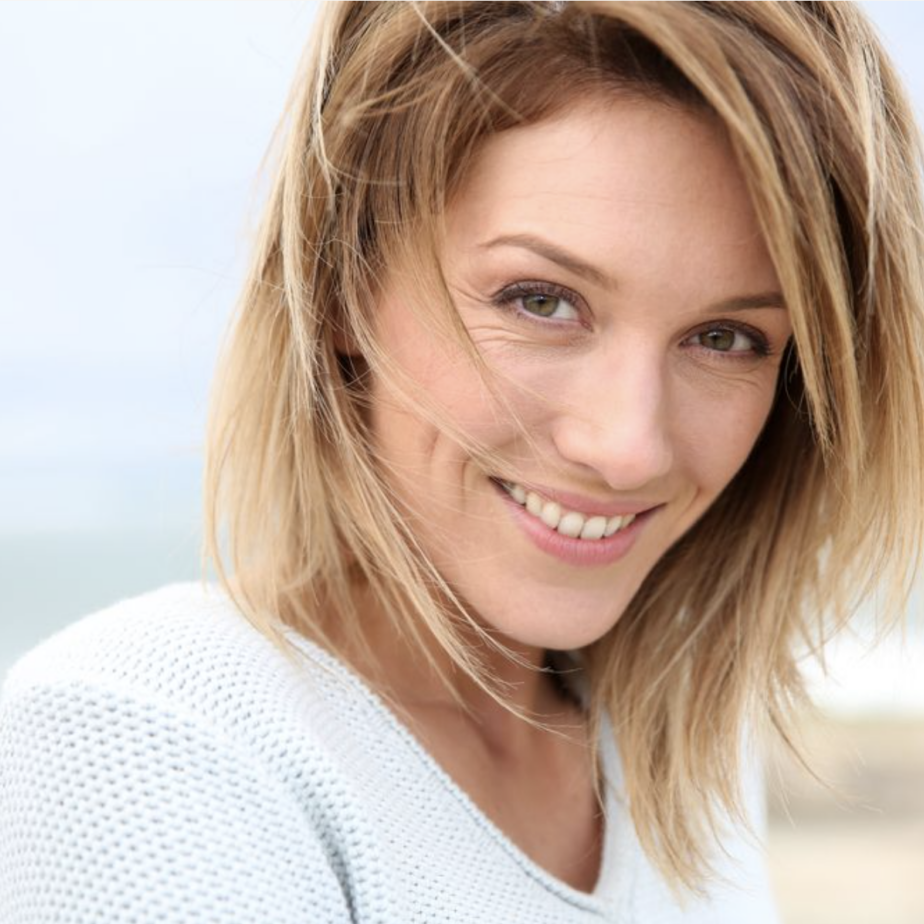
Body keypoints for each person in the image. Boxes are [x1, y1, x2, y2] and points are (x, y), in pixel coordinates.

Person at [2, 1, 922, 921]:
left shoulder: (681, 755)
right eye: (541, 301)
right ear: (341, 288)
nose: (629, 445)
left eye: (725, 337)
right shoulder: (145, 736)